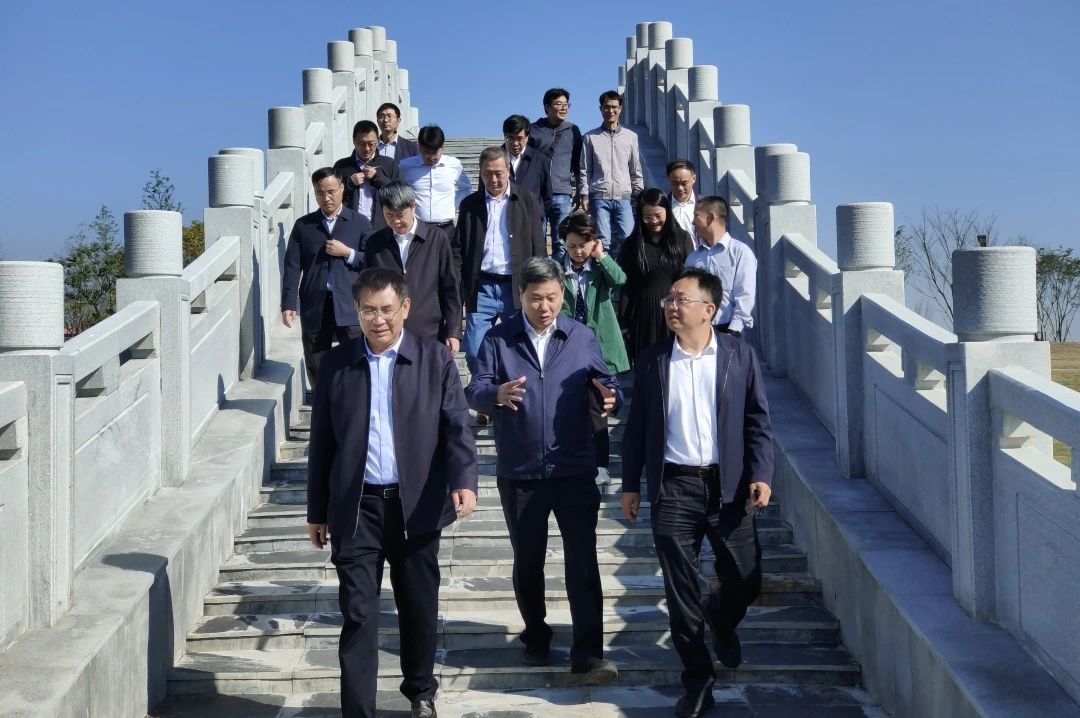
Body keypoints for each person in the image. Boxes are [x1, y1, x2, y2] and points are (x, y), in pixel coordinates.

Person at [307, 267, 478, 718]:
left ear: (405, 308)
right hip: (356, 508)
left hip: (416, 505)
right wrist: (316, 510)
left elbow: (456, 426)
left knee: (418, 607)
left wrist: (464, 479)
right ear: (356, 311)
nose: (378, 319)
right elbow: (321, 443)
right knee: (358, 614)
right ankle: (357, 711)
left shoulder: (434, 359)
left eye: (386, 309)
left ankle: (420, 692)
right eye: (368, 310)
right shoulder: (336, 364)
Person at [620, 267, 773, 718]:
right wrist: (630, 484)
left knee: (746, 579)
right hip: (673, 486)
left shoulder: (738, 355)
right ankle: (698, 681)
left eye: (680, 299)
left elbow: (757, 421)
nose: (671, 306)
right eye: (668, 299)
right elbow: (636, 428)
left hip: (729, 487)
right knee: (681, 591)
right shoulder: (653, 360)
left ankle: (721, 617)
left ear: (709, 309)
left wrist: (762, 474)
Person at [464, 257, 622, 684]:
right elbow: (474, 389)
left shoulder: (580, 336)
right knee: (528, 560)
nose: (545, 306)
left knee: (583, 561)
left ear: (561, 294)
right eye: (536, 298)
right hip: (520, 470)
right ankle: (536, 633)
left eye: (552, 297)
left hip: (574, 466)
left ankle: (588, 654)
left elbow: (608, 383)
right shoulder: (499, 338)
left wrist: (611, 398)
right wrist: (495, 394)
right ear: (521, 296)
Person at [453, 146, 546, 376]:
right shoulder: (469, 204)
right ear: (480, 173)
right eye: (487, 174)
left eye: (499, 173)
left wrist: (539, 284)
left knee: (519, 350)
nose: (493, 180)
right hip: (481, 286)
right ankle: (485, 392)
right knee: (474, 351)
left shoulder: (526, 199)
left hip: (515, 286)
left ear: (508, 171)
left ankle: (512, 392)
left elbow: (537, 244)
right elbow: (458, 248)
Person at [281, 167, 371, 387]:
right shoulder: (304, 225)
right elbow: (292, 266)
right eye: (320, 193)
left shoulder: (359, 222)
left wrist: (347, 253)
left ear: (342, 188)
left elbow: (373, 259)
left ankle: (353, 398)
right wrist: (288, 303)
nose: (326, 197)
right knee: (316, 358)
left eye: (331, 191)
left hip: (349, 301)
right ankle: (321, 401)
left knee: (355, 356)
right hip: (315, 302)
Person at [558, 212, 629, 473]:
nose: (578, 251)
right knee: (566, 404)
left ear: (594, 242)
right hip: (567, 345)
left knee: (598, 402)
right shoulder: (557, 269)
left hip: (599, 345)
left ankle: (600, 465)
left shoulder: (599, 267)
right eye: (572, 246)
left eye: (583, 245)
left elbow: (620, 279)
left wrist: (601, 256)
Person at [364, 181, 462, 353]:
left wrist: (453, 331)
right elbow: (367, 289)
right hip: (387, 332)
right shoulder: (375, 243)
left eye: (400, 215)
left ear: (413, 207)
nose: (395, 221)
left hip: (429, 331)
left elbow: (450, 287)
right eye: (389, 215)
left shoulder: (436, 239)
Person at [617, 188, 695, 364]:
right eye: (647, 217)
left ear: (667, 211)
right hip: (643, 313)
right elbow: (626, 285)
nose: (653, 221)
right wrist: (624, 322)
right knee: (648, 366)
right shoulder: (632, 244)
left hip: (675, 310)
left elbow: (690, 277)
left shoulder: (682, 239)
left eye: (658, 215)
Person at [580, 91, 644, 256]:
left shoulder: (631, 137)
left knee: (628, 238)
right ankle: (604, 270)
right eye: (607, 107)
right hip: (599, 196)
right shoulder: (590, 137)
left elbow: (635, 168)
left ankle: (626, 271)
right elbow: (585, 169)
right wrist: (584, 195)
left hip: (624, 197)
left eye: (615, 107)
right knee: (603, 241)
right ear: (601, 109)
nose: (611, 111)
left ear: (620, 109)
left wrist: (640, 194)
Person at [686, 196, 758, 337]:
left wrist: (733, 332)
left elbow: (745, 296)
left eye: (696, 216)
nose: (693, 222)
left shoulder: (740, 253)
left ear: (711, 218)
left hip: (727, 330)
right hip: (696, 332)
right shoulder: (693, 258)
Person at [530, 88, 584, 264]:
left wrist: (579, 191)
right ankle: (540, 274)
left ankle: (559, 275)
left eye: (566, 104)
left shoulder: (573, 130)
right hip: (537, 194)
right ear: (547, 107)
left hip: (562, 193)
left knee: (561, 241)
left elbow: (577, 163)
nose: (563, 108)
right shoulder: (533, 130)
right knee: (537, 238)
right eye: (558, 104)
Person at [398, 125, 472, 232]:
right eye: (427, 153)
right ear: (420, 148)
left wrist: (453, 205)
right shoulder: (405, 166)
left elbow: (465, 188)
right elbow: (398, 190)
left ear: (442, 148)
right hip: (417, 227)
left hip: (446, 227)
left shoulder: (454, 165)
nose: (431, 157)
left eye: (435, 153)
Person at [334, 120, 400, 233]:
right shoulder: (342, 166)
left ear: (377, 141)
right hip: (350, 228)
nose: (367, 148)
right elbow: (331, 195)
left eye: (371, 143)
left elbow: (399, 195)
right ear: (354, 141)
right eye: (362, 143)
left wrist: (378, 178)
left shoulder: (389, 164)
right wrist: (349, 183)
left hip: (381, 229)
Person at [502, 114, 551, 211]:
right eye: (511, 138)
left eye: (520, 138)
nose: (515, 143)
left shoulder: (540, 159)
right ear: (504, 136)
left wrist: (539, 213)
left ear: (527, 137)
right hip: (502, 216)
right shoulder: (493, 159)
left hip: (532, 217)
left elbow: (547, 195)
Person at [666, 159, 698, 236]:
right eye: (675, 183)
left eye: (684, 183)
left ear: (694, 179)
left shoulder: (705, 205)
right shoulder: (663, 205)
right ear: (668, 180)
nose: (680, 188)